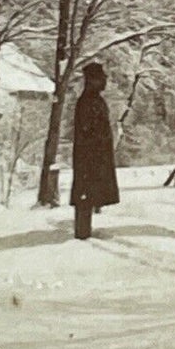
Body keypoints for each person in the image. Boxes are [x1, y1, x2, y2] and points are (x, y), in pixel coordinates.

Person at [70, 61, 119, 240]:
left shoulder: (94, 100)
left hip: (95, 158)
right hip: (90, 159)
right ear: (93, 80)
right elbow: (89, 132)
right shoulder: (88, 102)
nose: (105, 81)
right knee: (86, 196)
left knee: (89, 195)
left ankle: (85, 232)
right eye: (102, 78)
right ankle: (82, 234)